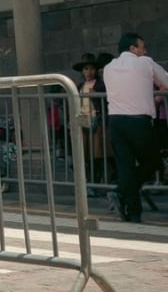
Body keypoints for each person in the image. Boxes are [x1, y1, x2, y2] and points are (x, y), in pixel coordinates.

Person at [101, 33, 168, 223]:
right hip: (139, 122)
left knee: (125, 167)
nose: (144, 51)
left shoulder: (108, 68)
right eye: (142, 47)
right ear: (133, 49)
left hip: (115, 121)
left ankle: (133, 211)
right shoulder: (145, 62)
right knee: (153, 162)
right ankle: (123, 193)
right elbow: (165, 82)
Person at [72, 53, 108, 184]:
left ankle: (99, 178)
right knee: (84, 152)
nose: (89, 72)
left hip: (96, 119)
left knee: (97, 152)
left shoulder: (100, 85)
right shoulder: (80, 86)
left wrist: (97, 96)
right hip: (83, 119)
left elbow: (106, 101)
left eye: (91, 68)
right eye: (86, 69)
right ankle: (89, 179)